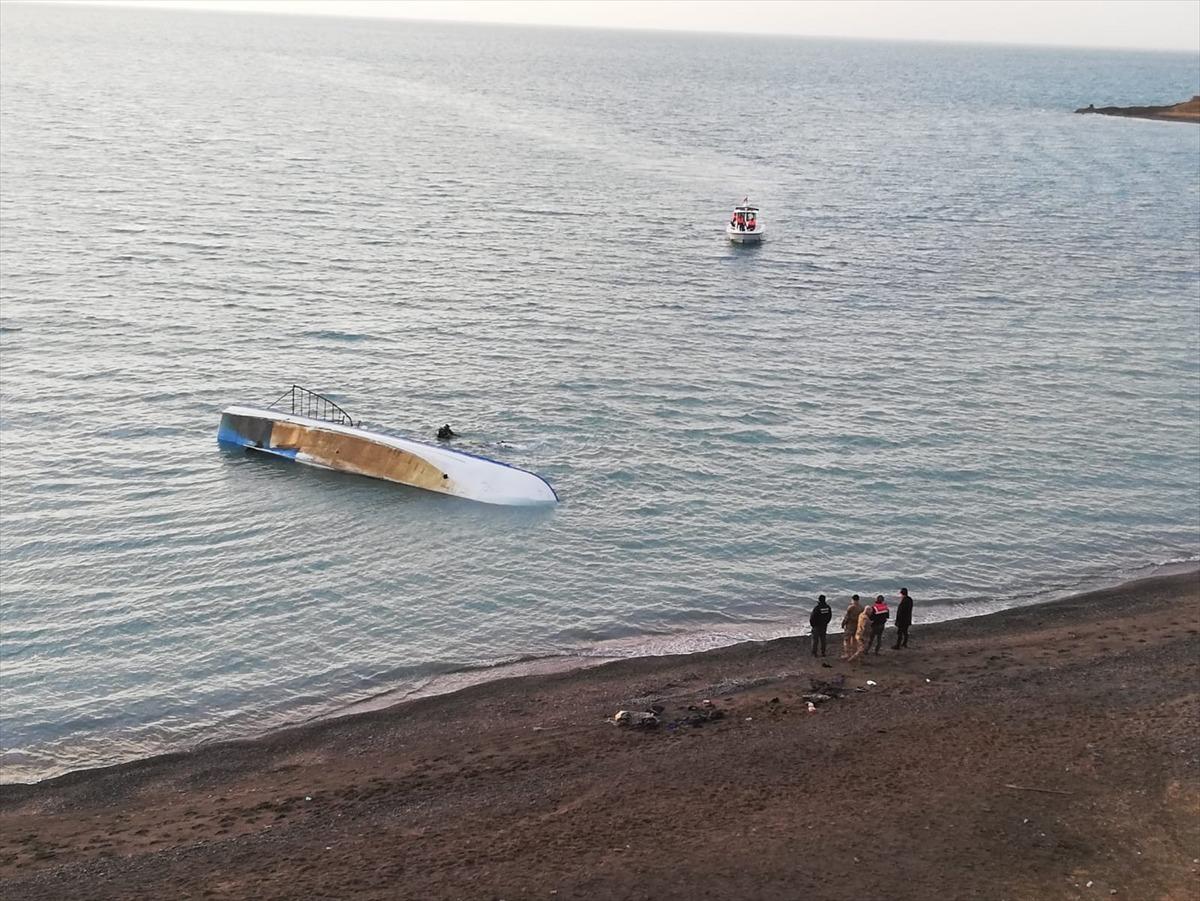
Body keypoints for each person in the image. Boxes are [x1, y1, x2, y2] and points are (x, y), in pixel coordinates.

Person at [847, 598, 874, 663]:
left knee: (859, 648)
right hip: (862, 636)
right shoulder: (866, 618)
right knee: (861, 649)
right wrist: (870, 625)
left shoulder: (861, 615)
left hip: (858, 633)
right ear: (868, 611)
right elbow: (865, 627)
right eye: (870, 612)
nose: (871, 613)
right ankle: (852, 659)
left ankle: (861, 660)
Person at [840, 594, 863, 660]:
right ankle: (853, 653)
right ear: (858, 600)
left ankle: (847, 654)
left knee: (846, 640)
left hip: (850, 626)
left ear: (852, 599)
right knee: (854, 640)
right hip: (857, 625)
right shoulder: (861, 607)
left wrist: (843, 623)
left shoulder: (850, 607)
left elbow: (847, 617)